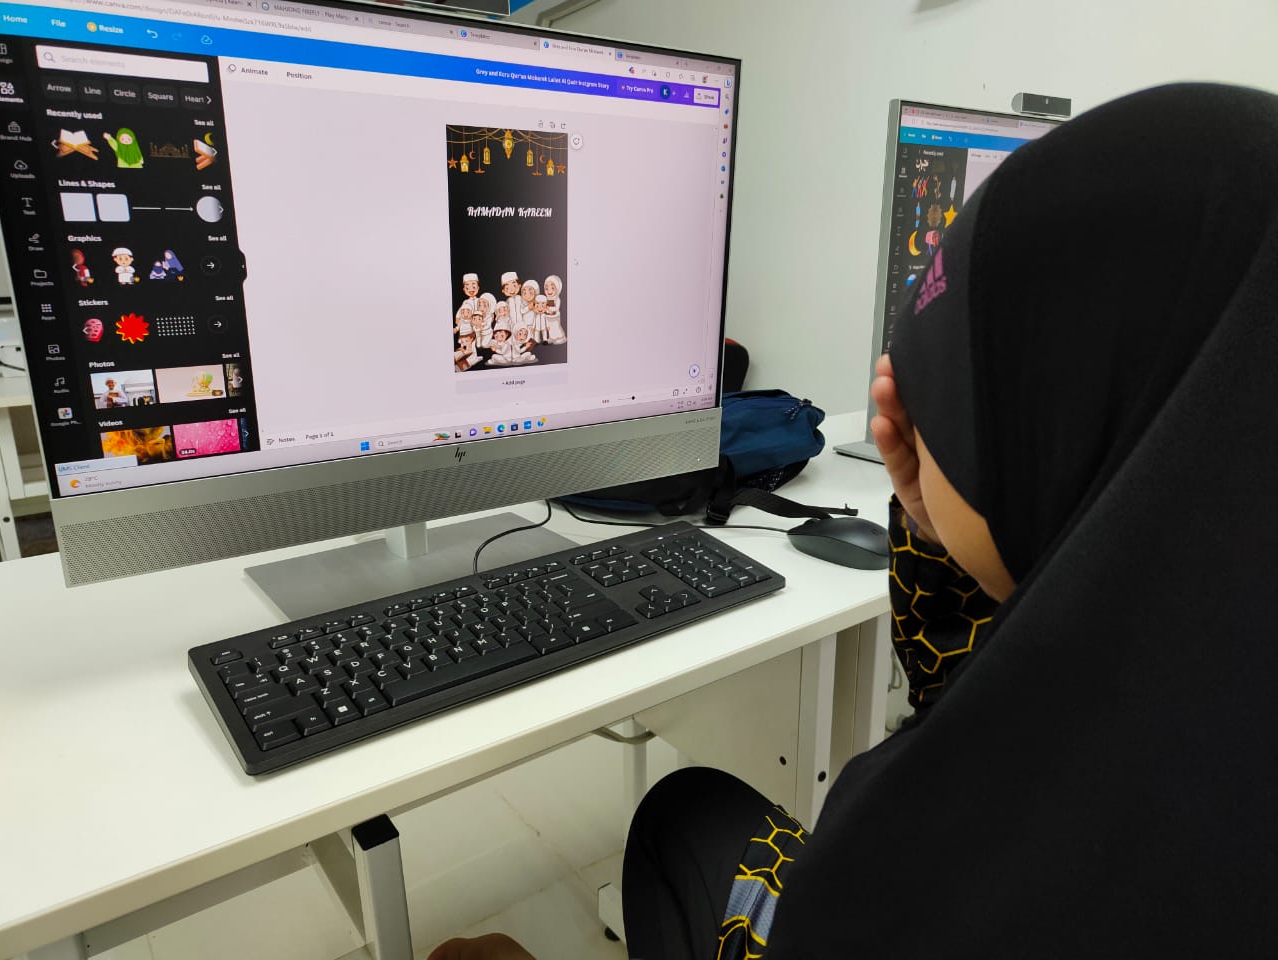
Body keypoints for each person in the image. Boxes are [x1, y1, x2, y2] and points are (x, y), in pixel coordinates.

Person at [425, 82, 1278, 959]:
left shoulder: (967, 848)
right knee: (693, 810)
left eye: (954, 387)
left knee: (657, 833)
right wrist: (940, 526)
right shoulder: (1192, 660)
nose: (915, 409)